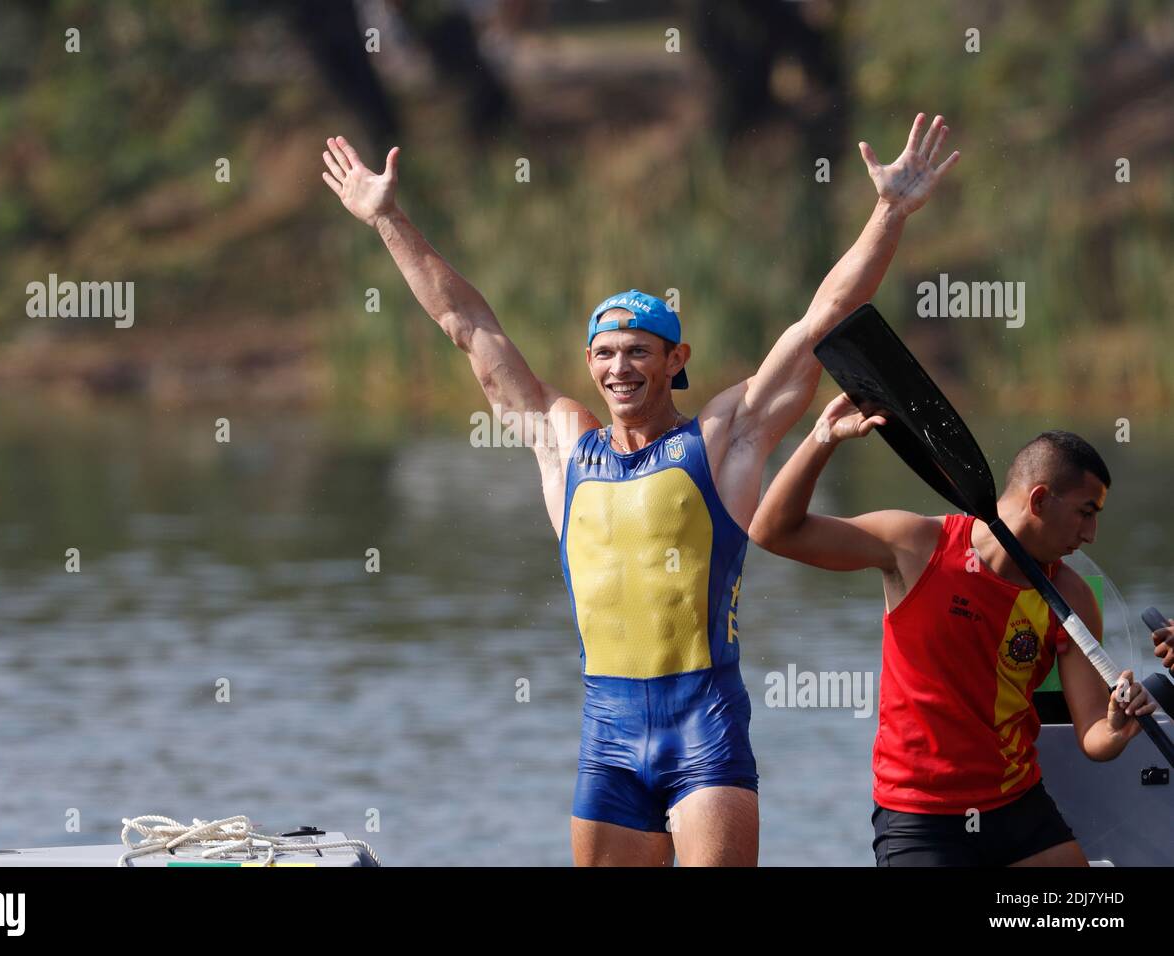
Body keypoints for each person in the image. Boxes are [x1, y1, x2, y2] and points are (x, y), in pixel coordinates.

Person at [321, 113, 958, 866]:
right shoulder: (563, 445)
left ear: (675, 358)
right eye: (604, 353)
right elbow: (467, 326)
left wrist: (888, 213)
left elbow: (821, 321)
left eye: (638, 352)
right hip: (608, 736)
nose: (619, 367)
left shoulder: (724, 439)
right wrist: (388, 216)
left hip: (706, 730)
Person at [749, 396, 1157, 866]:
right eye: (1087, 512)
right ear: (1040, 499)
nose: (1091, 535)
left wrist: (1117, 726)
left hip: (1016, 808)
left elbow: (1093, 739)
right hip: (921, 816)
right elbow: (772, 532)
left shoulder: (1071, 598)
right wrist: (822, 438)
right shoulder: (916, 546)